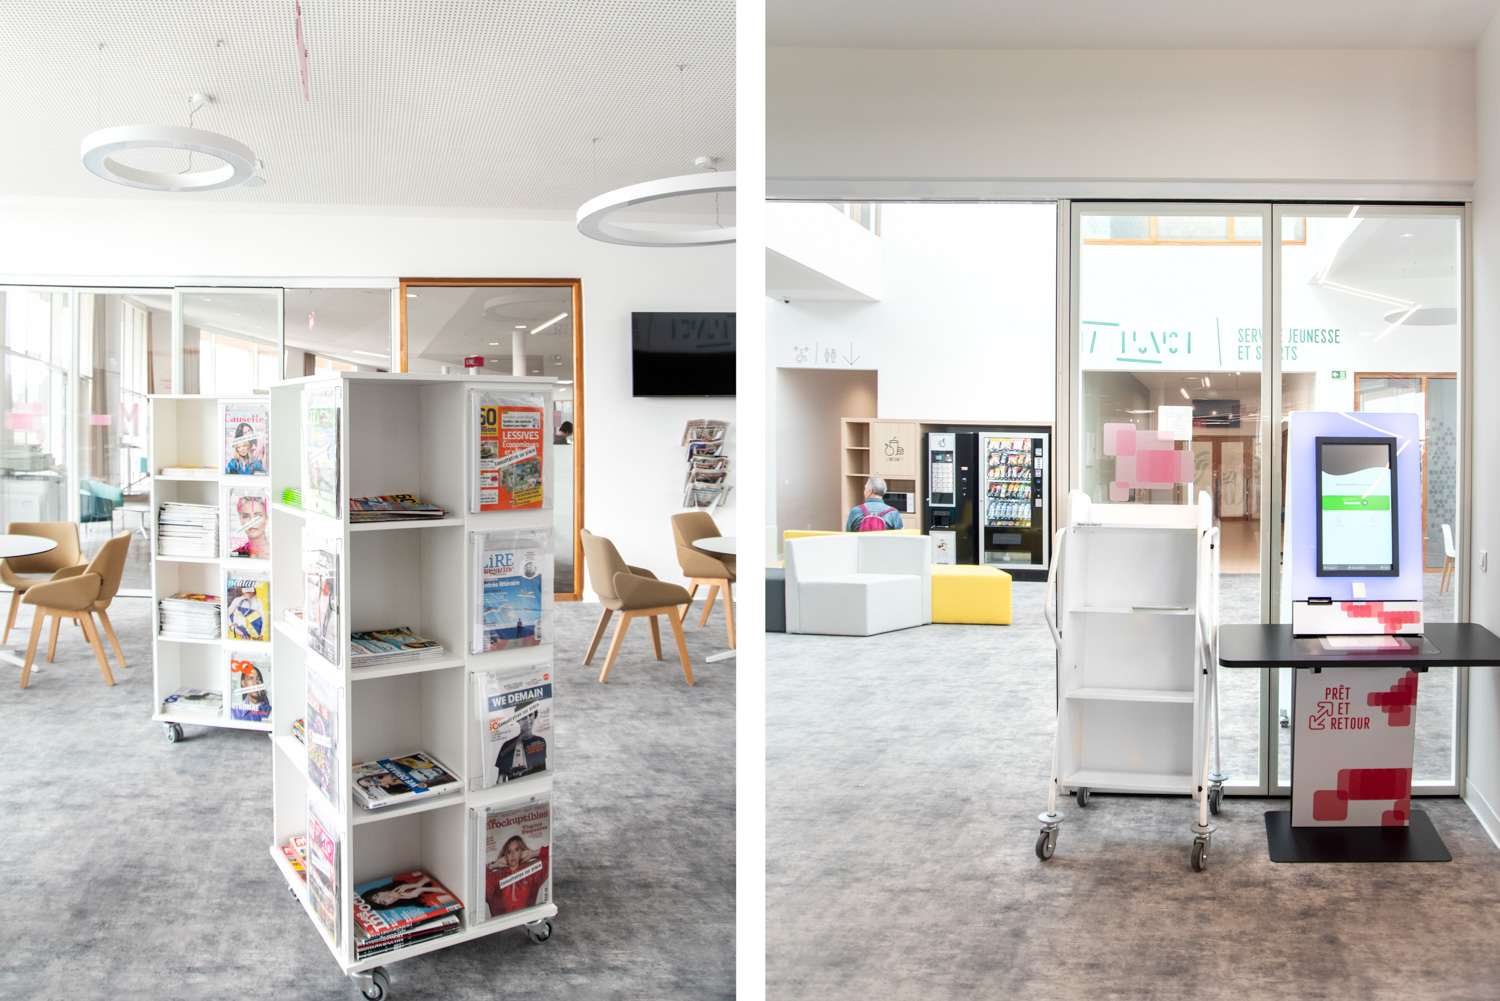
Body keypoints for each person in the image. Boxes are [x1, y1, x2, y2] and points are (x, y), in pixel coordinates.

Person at [484, 835, 549, 915]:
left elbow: (552, 853)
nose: (513, 855)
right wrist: (492, 865)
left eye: (517, 850)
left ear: (522, 852)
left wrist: (533, 853)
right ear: (505, 856)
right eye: (509, 852)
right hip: (502, 922)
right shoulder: (494, 878)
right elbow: (473, 882)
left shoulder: (532, 871)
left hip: (527, 919)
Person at [495, 703, 547, 781]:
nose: (528, 720)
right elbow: (500, 779)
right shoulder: (507, 746)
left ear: (535, 716)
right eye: (524, 716)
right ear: (518, 718)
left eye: (530, 715)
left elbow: (543, 772)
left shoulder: (540, 741)